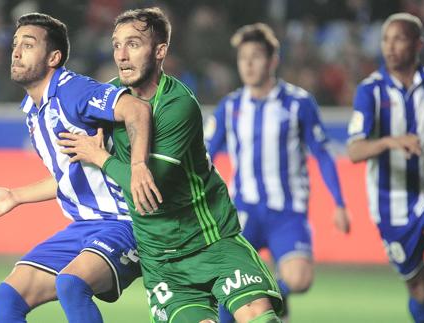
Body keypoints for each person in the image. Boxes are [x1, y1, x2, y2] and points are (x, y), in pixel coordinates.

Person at [57, 7, 282, 323]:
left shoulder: (178, 104)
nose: (121, 55)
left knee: (260, 317)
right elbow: (70, 164)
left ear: (160, 51)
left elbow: (152, 187)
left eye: (133, 44)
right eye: (116, 44)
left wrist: (100, 158)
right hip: (162, 260)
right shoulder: (109, 99)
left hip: (210, 241)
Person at [0, 12, 162, 323]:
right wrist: (15, 196)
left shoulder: (71, 90)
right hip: (83, 227)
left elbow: (138, 110)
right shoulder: (34, 113)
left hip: (125, 223)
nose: (17, 52)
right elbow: (68, 177)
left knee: (71, 283)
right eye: (15, 45)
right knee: (5, 297)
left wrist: (139, 166)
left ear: (53, 57)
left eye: (29, 45)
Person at [204, 23, 350, 321]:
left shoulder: (298, 103)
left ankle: (274, 296)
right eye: (243, 57)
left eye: (255, 56)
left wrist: (339, 202)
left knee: (300, 279)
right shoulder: (231, 106)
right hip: (242, 210)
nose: (247, 63)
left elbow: (322, 154)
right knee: (229, 281)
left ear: (273, 60)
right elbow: (205, 156)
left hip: (288, 213)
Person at [347, 13, 424, 323]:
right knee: (420, 290)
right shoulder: (370, 91)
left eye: (398, 38)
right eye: (386, 39)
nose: (390, 46)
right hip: (391, 206)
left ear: (418, 44)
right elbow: (354, 150)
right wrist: (390, 142)